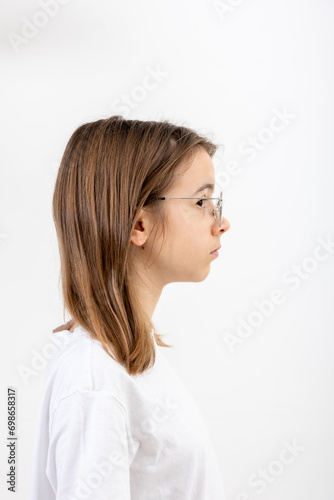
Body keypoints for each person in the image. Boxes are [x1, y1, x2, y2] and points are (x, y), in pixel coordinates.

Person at [28, 115, 231, 499]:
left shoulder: (128, 358)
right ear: (138, 223)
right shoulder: (96, 380)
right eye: (202, 201)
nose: (221, 222)